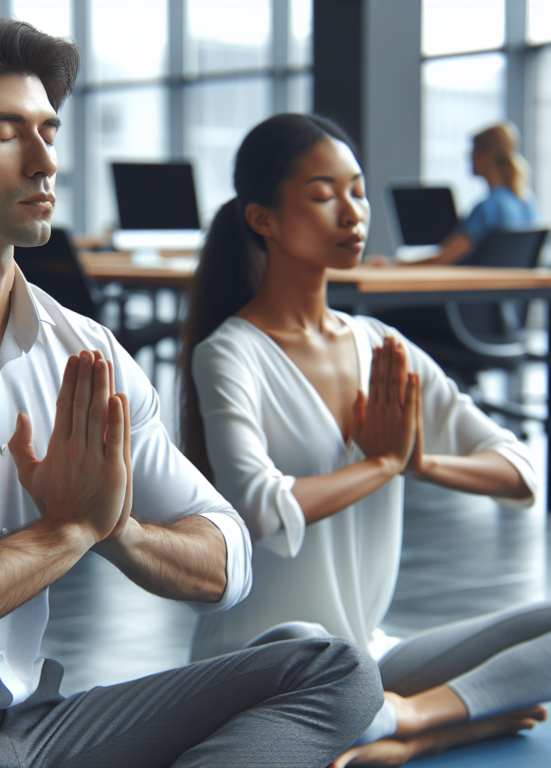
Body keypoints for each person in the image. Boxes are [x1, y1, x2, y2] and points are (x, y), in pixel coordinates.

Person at [0, 17, 386, 768]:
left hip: (36, 734)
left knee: (330, 665)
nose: (45, 163)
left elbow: (228, 560)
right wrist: (66, 530)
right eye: (6, 133)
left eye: (49, 132)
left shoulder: (86, 351)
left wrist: (117, 528)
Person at [180, 113, 551, 766]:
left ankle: (412, 721)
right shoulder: (230, 354)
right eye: (323, 195)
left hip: (368, 653)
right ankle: (435, 727)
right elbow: (262, 508)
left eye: (357, 190)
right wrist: (382, 464)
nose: (352, 213)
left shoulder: (383, 347)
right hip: (263, 663)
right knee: (306, 656)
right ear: (263, 218)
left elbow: (522, 471)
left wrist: (420, 462)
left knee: (362, 667)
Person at [398, 122, 537, 266]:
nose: (468, 156)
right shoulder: (527, 202)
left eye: (473, 149)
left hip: (477, 280)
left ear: (487, 154)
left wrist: (397, 264)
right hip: (514, 281)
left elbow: (443, 259)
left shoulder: (487, 209)